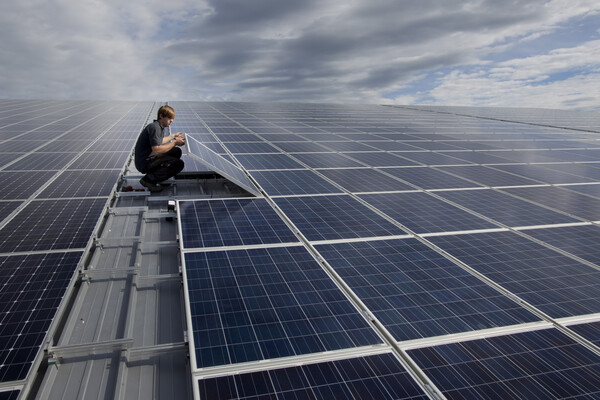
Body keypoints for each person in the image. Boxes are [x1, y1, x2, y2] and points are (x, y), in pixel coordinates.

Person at [134, 105, 186, 192]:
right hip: (144, 163)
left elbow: (160, 141)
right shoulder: (155, 128)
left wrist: (173, 136)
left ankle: (158, 176)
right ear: (161, 116)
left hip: (148, 158)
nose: (171, 120)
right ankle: (148, 180)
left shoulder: (158, 126)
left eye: (172, 118)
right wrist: (175, 142)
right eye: (169, 118)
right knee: (178, 164)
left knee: (176, 151)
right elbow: (157, 150)